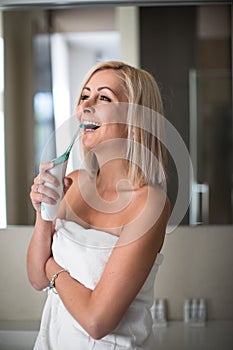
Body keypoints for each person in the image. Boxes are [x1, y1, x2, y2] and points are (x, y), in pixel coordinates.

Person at [27, 61, 170, 349]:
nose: (87, 105)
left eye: (104, 97)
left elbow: (97, 322)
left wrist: (52, 269)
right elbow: (34, 277)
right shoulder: (74, 183)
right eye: (84, 96)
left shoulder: (150, 203)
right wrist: (44, 213)